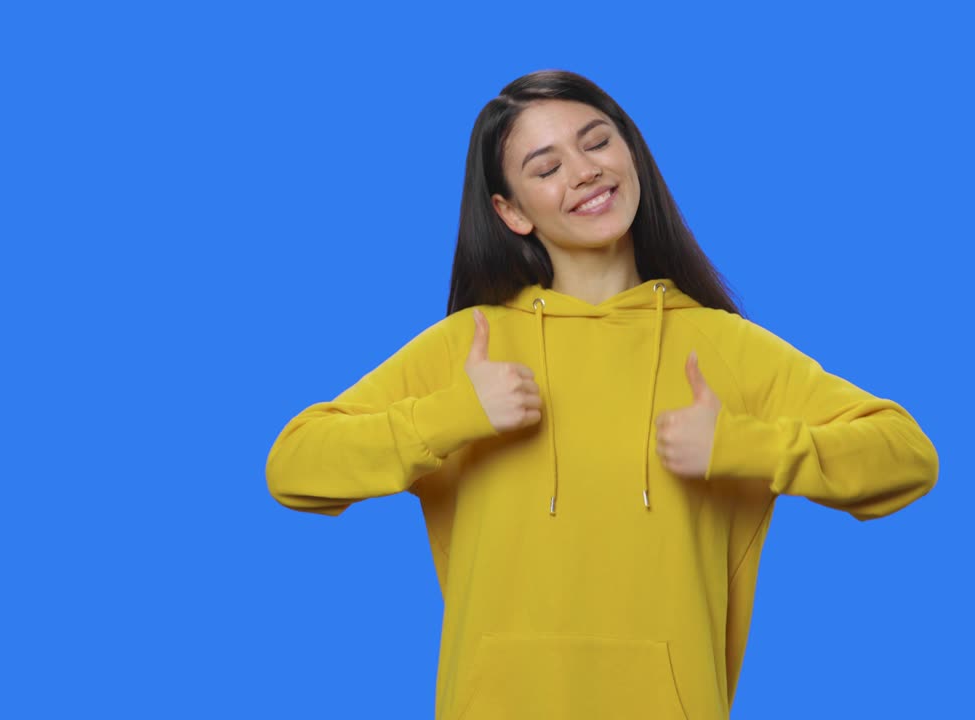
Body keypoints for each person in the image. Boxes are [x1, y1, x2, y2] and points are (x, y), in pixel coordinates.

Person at [265, 69, 939, 720]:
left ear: (631, 154)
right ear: (510, 212)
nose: (584, 171)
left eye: (596, 142)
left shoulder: (722, 348)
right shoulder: (470, 349)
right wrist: (452, 416)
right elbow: (295, 465)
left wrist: (748, 446)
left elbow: (906, 455)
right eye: (546, 167)